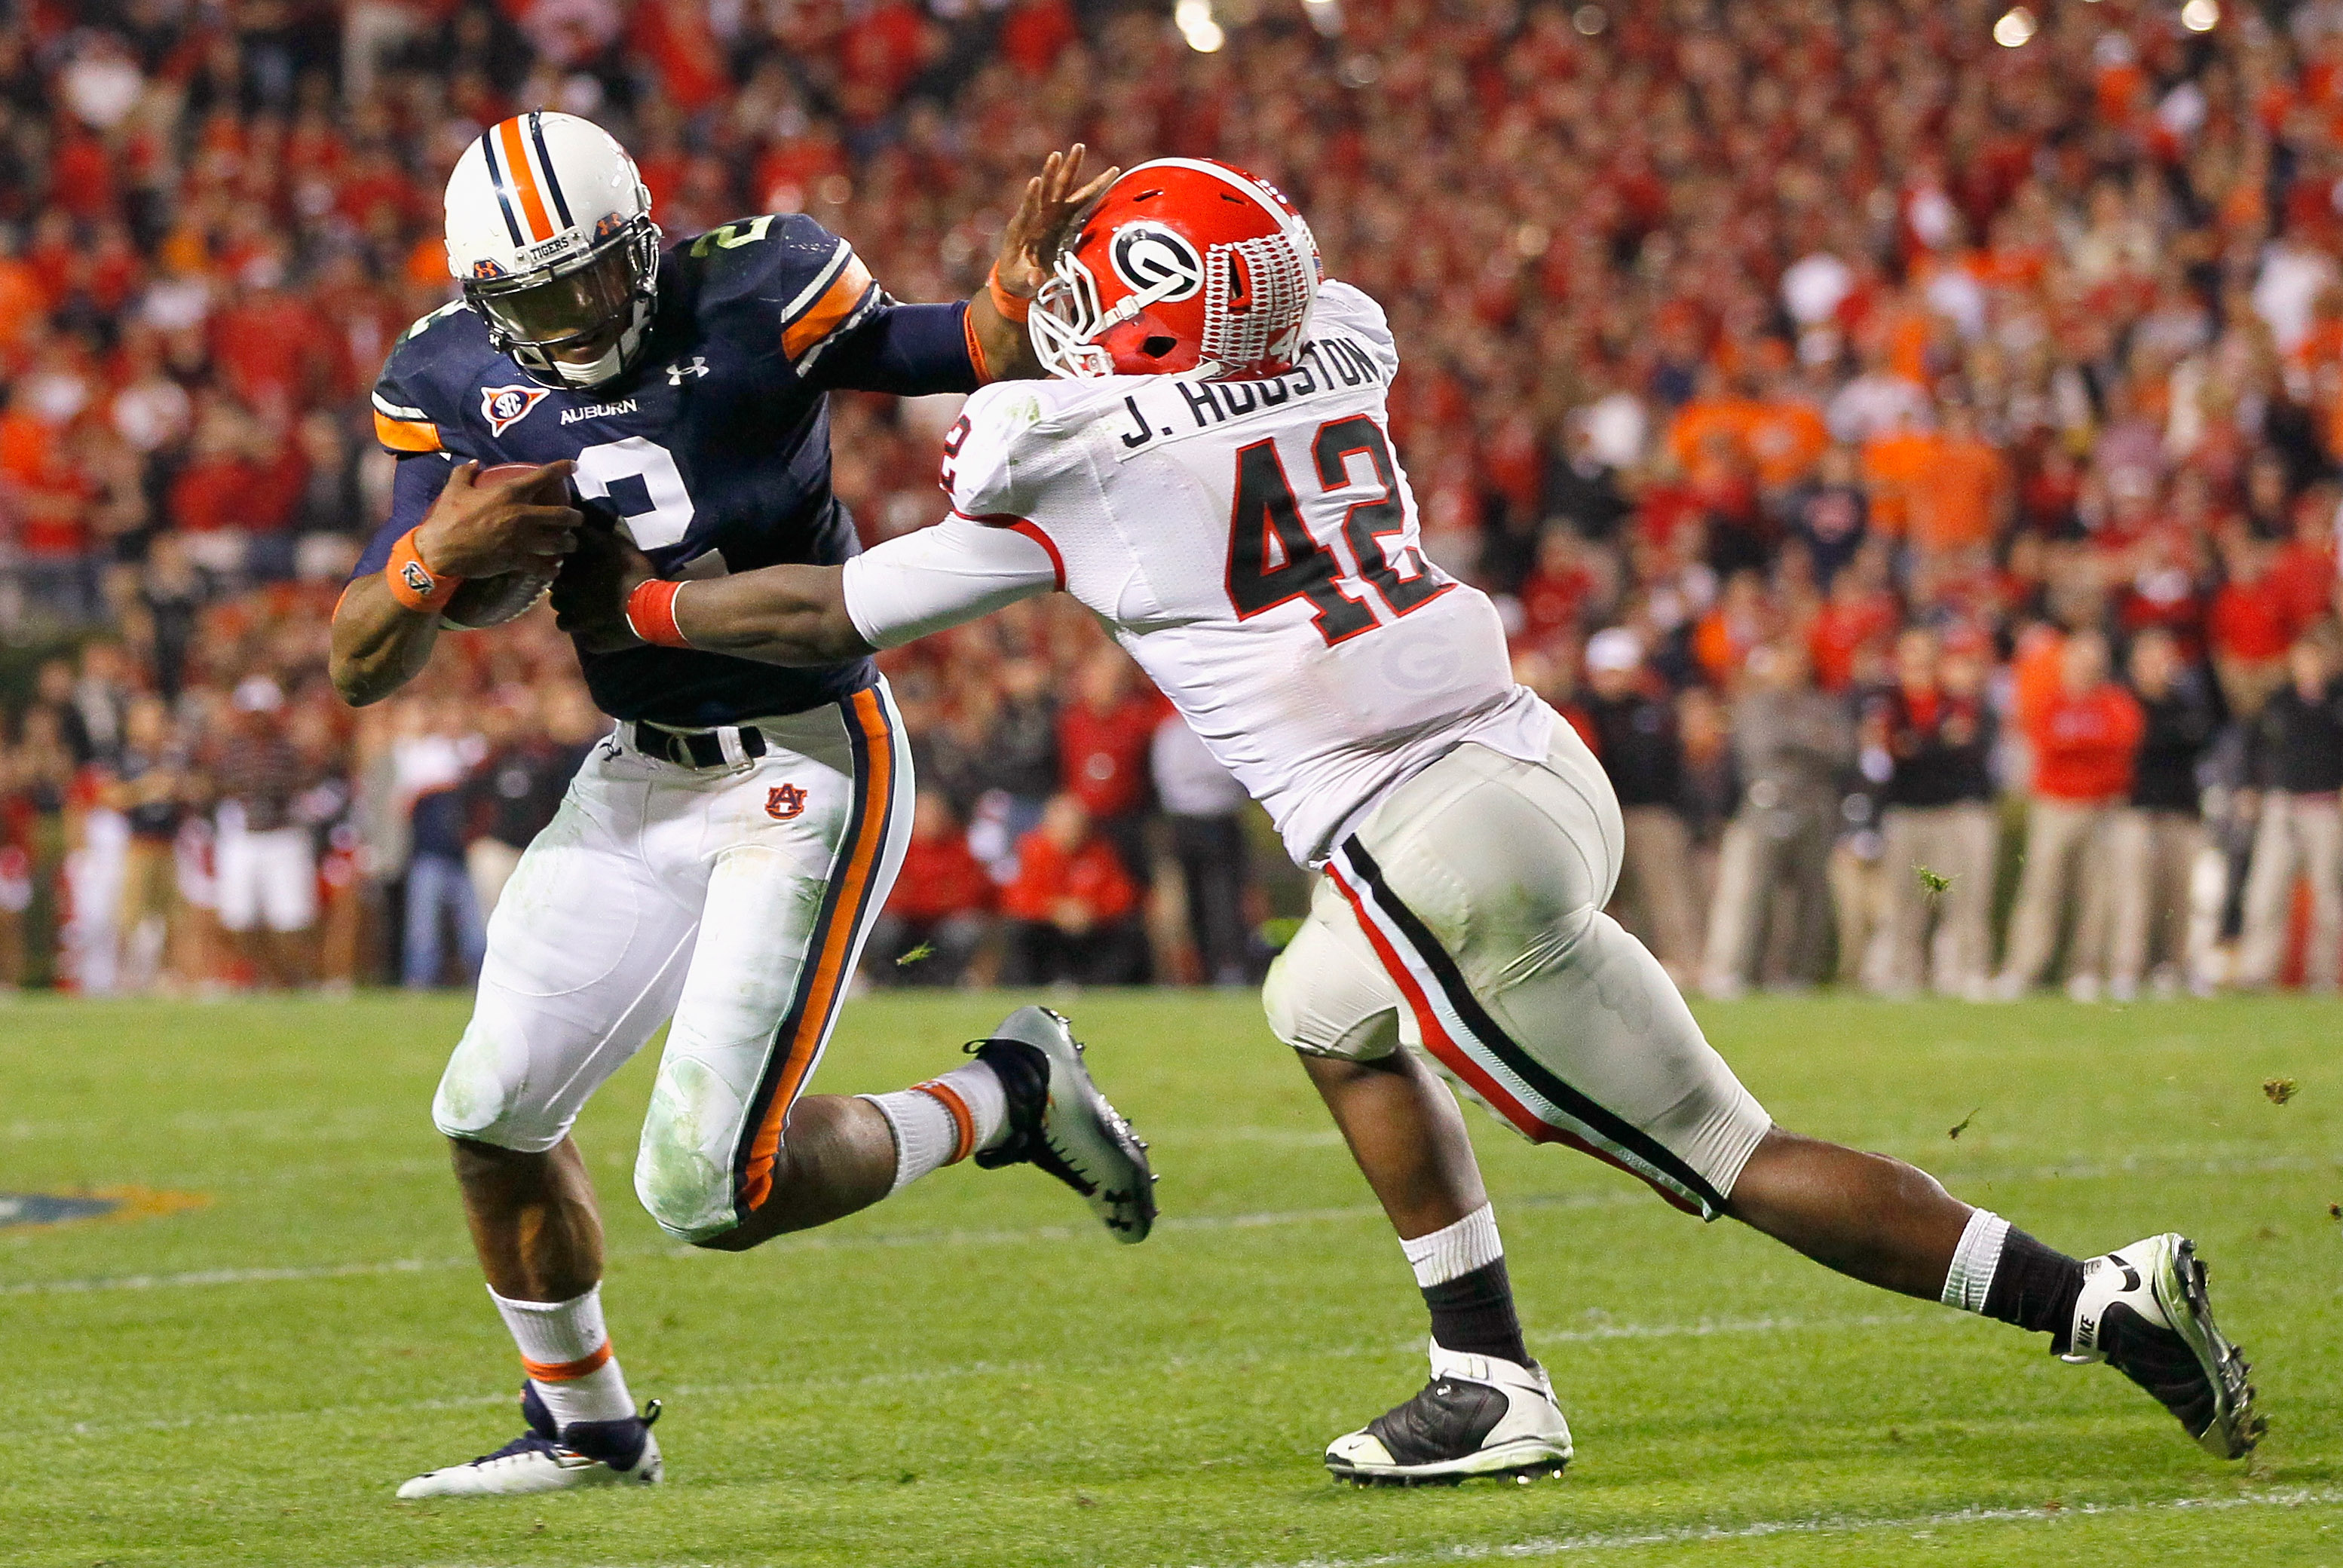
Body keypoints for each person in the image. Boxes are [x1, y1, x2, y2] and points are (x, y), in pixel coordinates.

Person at [553, 157, 2259, 1484]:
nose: (1062, 324)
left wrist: (633, 621)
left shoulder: (1068, 466)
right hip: (1529, 763)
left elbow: (829, 615)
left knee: (1725, 1158)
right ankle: (1489, 1371)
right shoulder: (1342, 343)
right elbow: (1261, 315)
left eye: (1090, 300)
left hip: (1416, 834)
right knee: (1321, 1007)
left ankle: (2094, 1296)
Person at [326, 115, 1153, 1498]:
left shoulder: (762, 285)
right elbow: (358, 661)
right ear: (486, 303)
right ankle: (587, 1429)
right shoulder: (447, 377)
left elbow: (962, 354)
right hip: (636, 769)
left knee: (709, 1189)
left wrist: (1011, 295)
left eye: (594, 278)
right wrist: (430, 559)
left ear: (644, 238)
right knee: (488, 1114)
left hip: (804, 757)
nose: (577, 318)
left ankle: (1001, 1096)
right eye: (536, 300)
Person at [1995, 629, 2145, 1000]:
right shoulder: (2048, 700)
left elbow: (2122, 744)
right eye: (2078, 662)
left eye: (2092, 663)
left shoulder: (2115, 702)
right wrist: (2087, 748)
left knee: (2096, 893)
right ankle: (2023, 968)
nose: (2084, 670)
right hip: (2055, 806)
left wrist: (2077, 747)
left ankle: (2086, 969)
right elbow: (2045, 743)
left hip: (2100, 807)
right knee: (2041, 890)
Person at [1701, 639, 1853, 997]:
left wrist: (1796, 744)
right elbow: (1759, 747)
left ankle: (1803, 974)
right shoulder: (1755, 705)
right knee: (1755, 892)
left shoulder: (1825, 705)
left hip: (1815, 805)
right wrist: (1810, 741)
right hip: (1766, 804)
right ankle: (1744, 971)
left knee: (1812, 894)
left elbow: (1843, 751)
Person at [1867, 626, 1997, 997]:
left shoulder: (1959, 701)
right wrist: (1936, 744)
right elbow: (1888, 754)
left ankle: (1966, 970)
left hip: (1951, 810)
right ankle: (1903, 974)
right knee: (1904, 904)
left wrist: (1920, 748)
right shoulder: (1889, 704)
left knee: (1964, 900)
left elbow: (1969, 752)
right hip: (1906, 811)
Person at [1577, 627, 1701, 983]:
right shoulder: (1586, 711)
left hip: (1649, 815)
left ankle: (1688, 968)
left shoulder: (1652, 711)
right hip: (1601, 816)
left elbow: (1668, 766)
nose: (1611, 680)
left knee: (1667, 898)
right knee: (1612, 904)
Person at [2110, 628, 2221, 1000]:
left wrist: (2168, 736)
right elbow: (2136, 743)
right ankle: (2127, 967)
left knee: (2180, 897)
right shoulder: (2122, 701)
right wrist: (2172, 737)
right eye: (2151, 657)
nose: (2159, 666)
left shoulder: (2185, 702)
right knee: (2135, 894)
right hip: (2136, 809)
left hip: (2181, 808)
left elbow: (2205, 737)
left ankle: (2175, 967)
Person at [2236, 633, 2343, 990]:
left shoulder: (2336, 701)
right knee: (2267, 889)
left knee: (2328, 894)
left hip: (2325, 804)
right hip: (2282, 803)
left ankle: (2325, 975)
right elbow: (2252, 747)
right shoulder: (2278, 701)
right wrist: (2250, 786)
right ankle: (2257, 971)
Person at [1000, 792, 1145, 985]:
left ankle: (1103, 987)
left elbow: (1122, 894)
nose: (1071, 832)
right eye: (1065, 826)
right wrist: (1055, 909)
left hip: (1092, 926)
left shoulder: (1100, 851)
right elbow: (1015, 897)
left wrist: (1092, 910)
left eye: (1076, 825)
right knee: (1019, 932)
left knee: (1130, 933)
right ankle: (1027, 988)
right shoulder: (1031, 851)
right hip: (1047, 928)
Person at [1150, 712, 1253, 985]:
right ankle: (1203, 969)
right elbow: (1170, 777)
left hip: (1222, 819)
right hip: (1186, 822)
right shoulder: (1172, 730)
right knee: (1192, 901)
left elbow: (1238, 772)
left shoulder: (1225, 725)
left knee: (1227, 898)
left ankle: (1232, 968)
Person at [864, 789, 995, 986]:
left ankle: (951, 980)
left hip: (943, 923)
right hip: (904, 922)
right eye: (923, 812)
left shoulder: (961, 848)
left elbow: (969, 894)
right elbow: (886, 894)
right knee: (883, 928)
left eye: (934, 812)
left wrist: (922, 902)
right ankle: (882, 978)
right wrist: (933, 900)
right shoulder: (894, 848)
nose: (929, 819)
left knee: (964, 931)